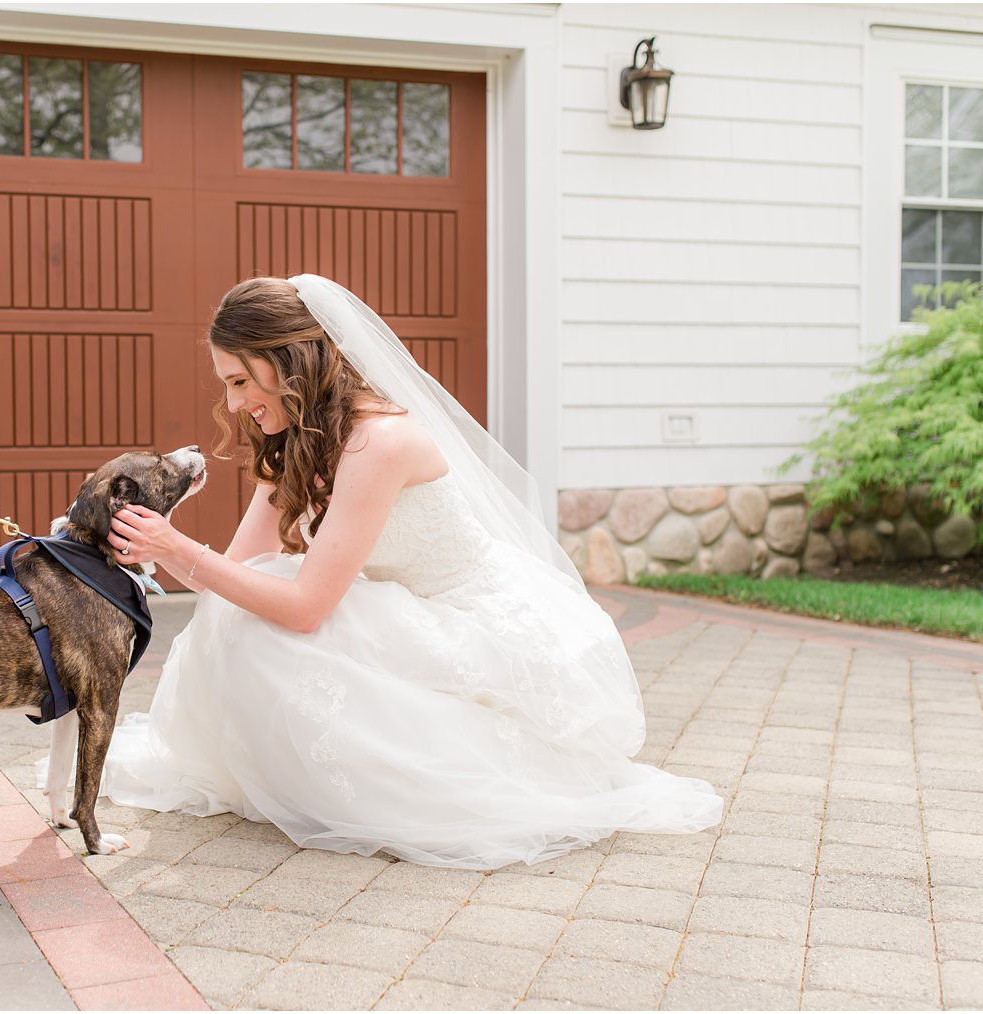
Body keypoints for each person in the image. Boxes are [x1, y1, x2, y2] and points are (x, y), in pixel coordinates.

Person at [100, 274, 721, 868]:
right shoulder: (293, 440)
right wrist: (155, 550)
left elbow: (307, 607)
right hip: (391, 600)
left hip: (470, 616)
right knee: (237, 614)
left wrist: (180, 548)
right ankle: (286, 771)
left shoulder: (380, 441)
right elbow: (227, 576)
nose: (233, 404)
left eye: (240, 381)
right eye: (227, 386)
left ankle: (355, 783)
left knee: (276, 623)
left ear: (288, 363)